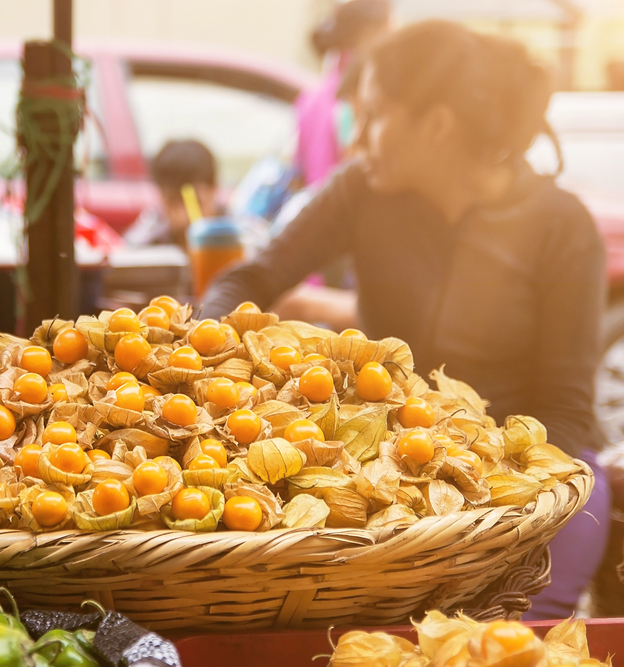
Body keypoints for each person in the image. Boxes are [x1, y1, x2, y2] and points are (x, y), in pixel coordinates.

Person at [200, 20, 610, 619]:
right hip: (398, 480)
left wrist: (482, 502)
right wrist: (207, 348)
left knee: (487, 648)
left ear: (437, 125)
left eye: (373, 116)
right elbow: (248, 279)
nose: (357, 139)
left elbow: (566, 412)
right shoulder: (362, 193)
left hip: (534, 490)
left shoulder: (559, 227)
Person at [295, 0, 392, 188]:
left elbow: (299, 167)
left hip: (317, 206)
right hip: (341, 206)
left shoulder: (310, 98)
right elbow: (353, 158)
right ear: (369, 34)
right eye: (390, 28)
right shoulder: (356, 95)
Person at [124, 139, 267, 252]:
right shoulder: (148, 236)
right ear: (160, 196)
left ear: (214, 189)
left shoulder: (241, 232)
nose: (183, 216)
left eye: (197, 202)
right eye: (174, 202)